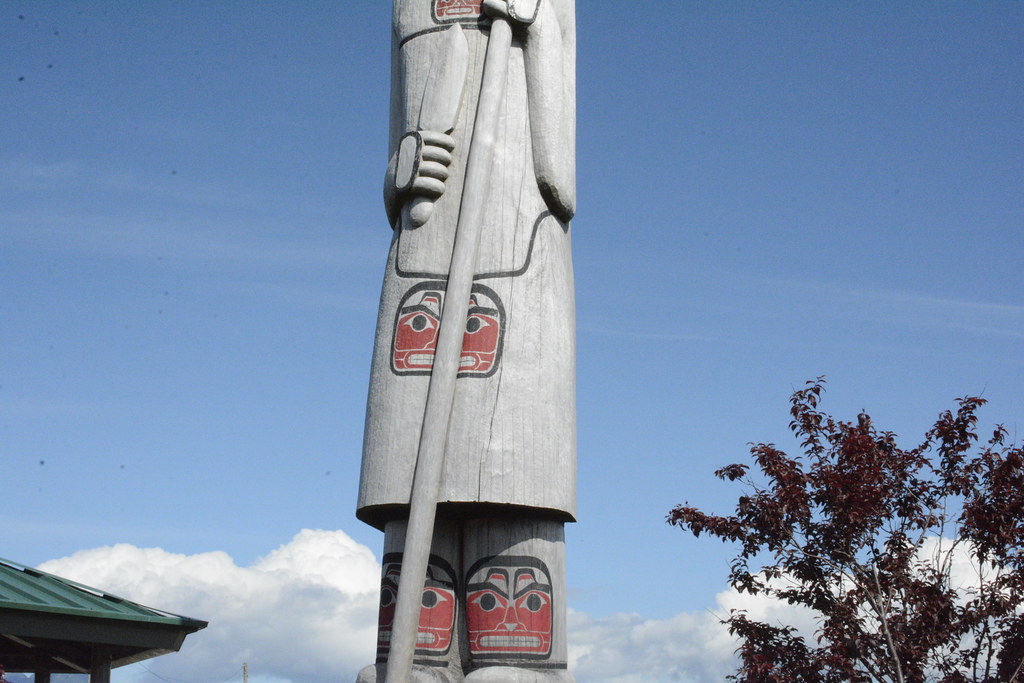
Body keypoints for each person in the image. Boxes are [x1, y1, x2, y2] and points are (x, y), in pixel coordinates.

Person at [357, 0, 576, 680]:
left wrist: (538, 26)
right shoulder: (408, 9)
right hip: (419, 259)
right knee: (409, 481)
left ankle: (517, 656)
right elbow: (402, 120)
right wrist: (403, 166)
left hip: (518, 253)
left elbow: (561, 176)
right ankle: (416, 653)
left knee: (511, 479)